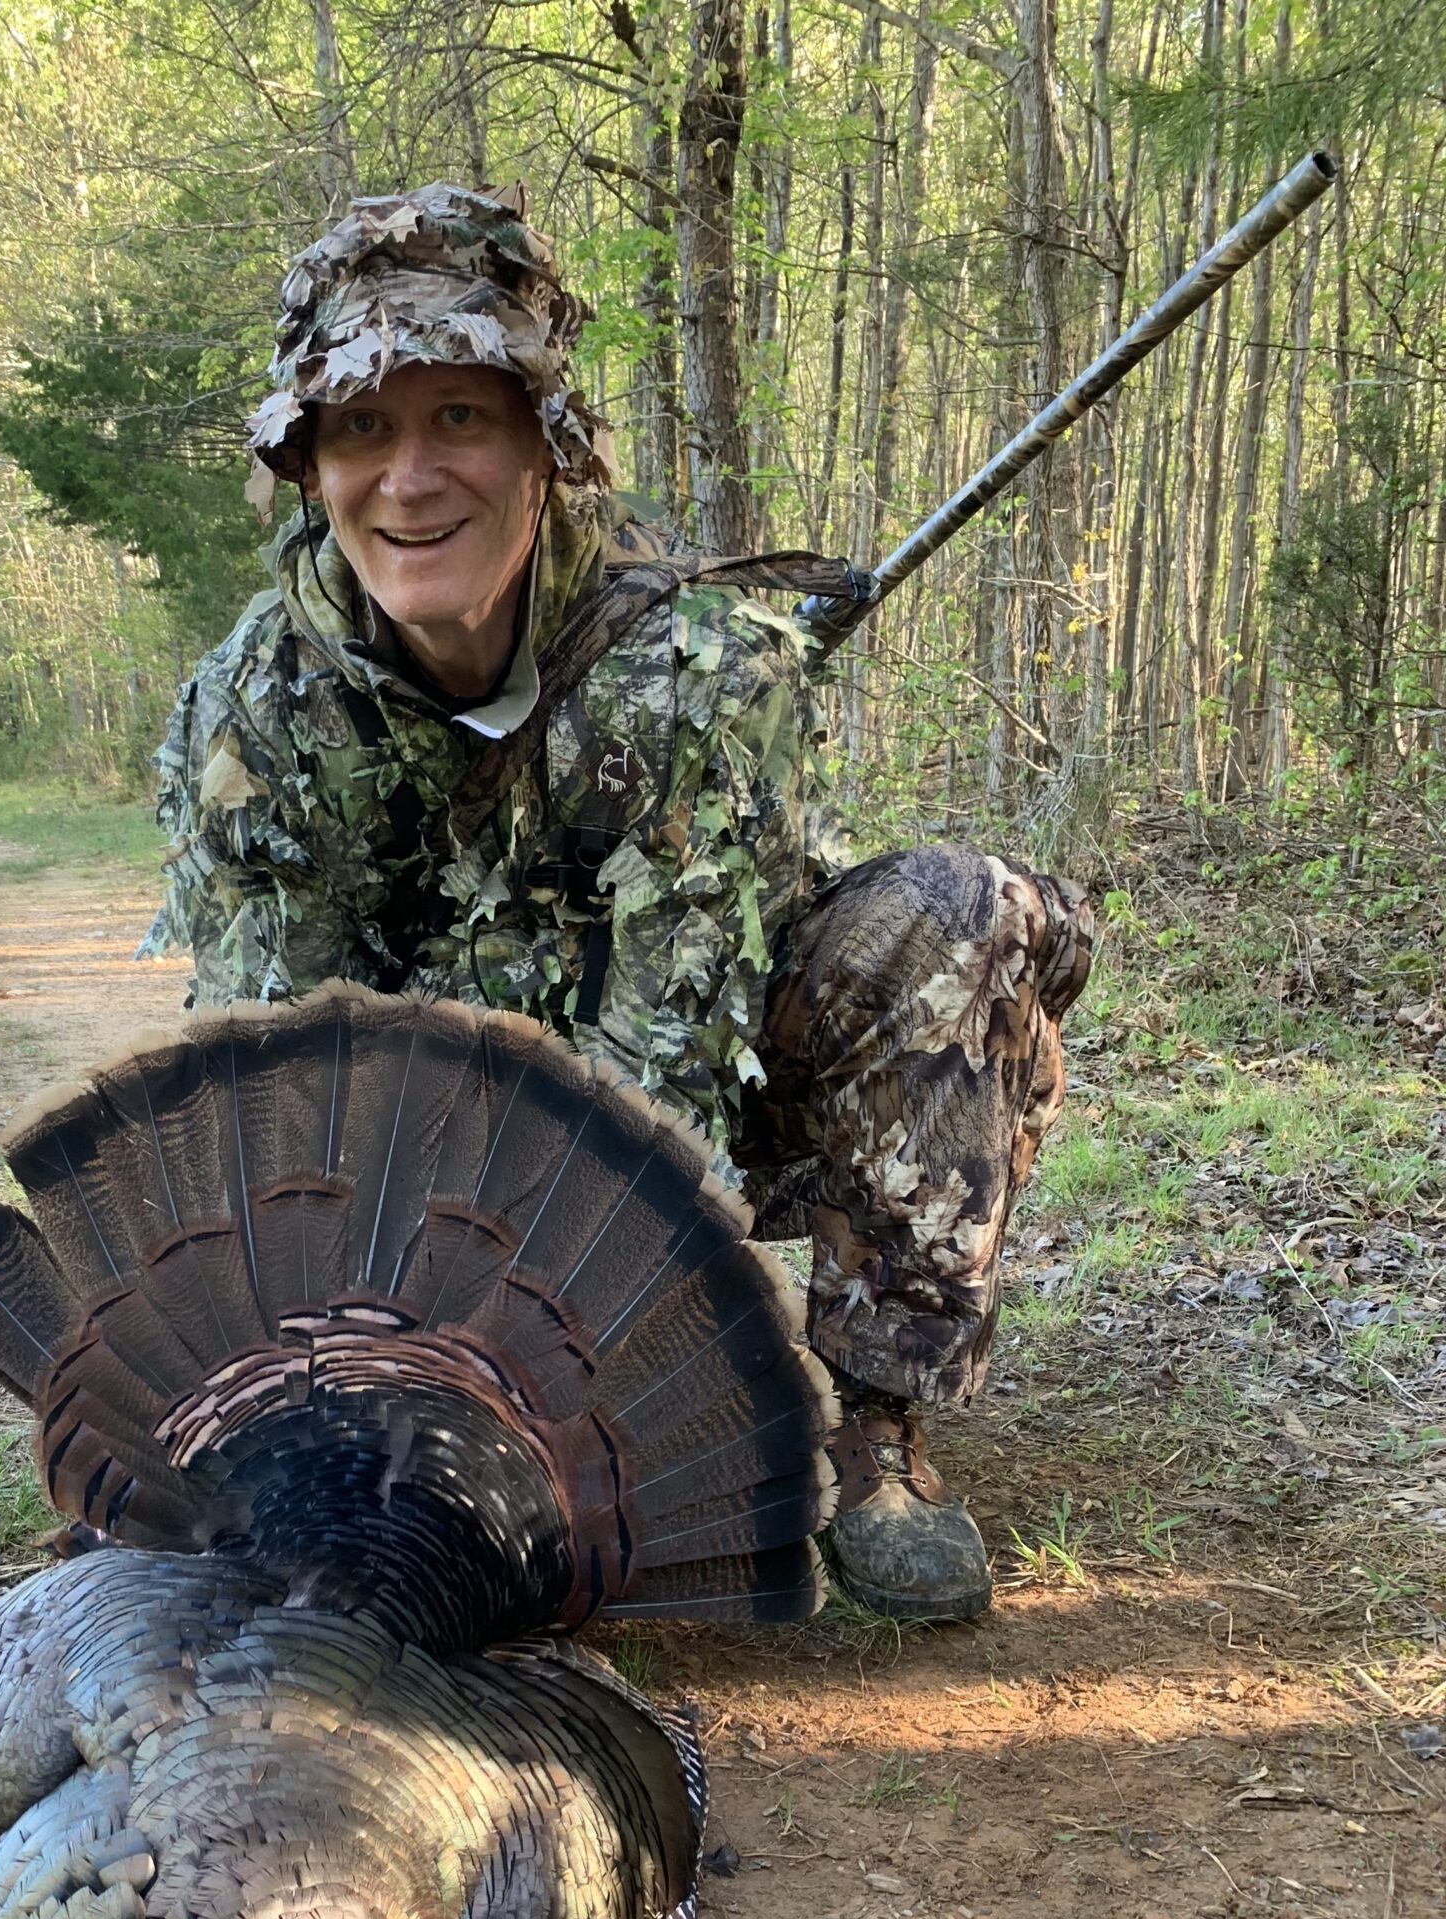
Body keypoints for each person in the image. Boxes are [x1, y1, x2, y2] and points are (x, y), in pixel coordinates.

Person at [139, 181, 1092, 1624]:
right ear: (314, 467)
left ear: (542, 446)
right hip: (428, 1137)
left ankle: (869, 1416)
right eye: (362, 430)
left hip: (683, 1101)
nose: (411, 478)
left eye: (461, 416)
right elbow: (282, 1083)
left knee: (952, 915)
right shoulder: (258, 714)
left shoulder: (687, 666)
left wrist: (582, 1395)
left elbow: (674, 1069)